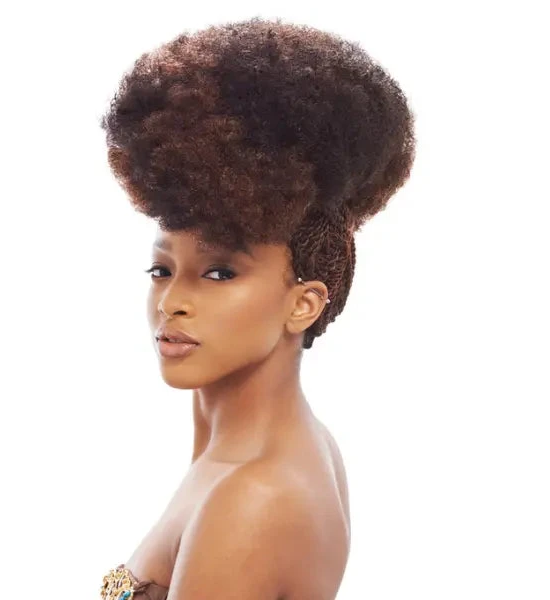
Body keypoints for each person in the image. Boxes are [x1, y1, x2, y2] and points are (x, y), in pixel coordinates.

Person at [98, 16, 416, 600]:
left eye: (219, 273)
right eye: (161, 270)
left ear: (304, 303)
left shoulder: (250, 499)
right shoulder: (246, 445)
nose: (172, 302)